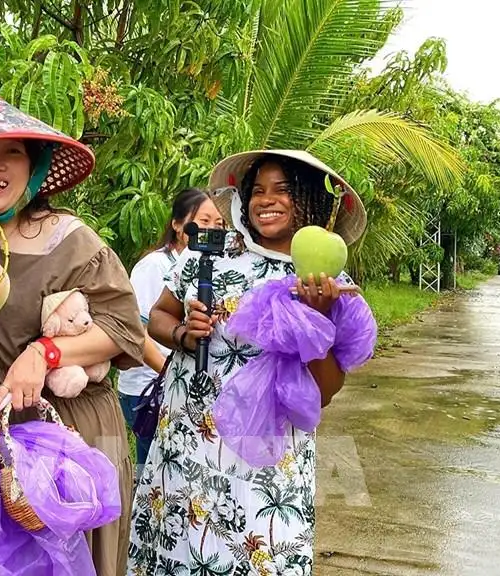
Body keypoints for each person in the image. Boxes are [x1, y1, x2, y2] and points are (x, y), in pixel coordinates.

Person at [0, 95, 145, 576]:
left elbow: (124, 330)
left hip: (71, 425)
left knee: (69, 558)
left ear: (35, 168)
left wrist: (46, 351)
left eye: (13, 153)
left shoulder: (72, 239)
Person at [126, 149, 369, 575]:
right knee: (176, 548)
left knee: (258, 554)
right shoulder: (209, 256)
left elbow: (326, 392)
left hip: (265, 460)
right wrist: (183, 334)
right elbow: (159, 317)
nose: (265, 200)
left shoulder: (327, 286)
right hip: (186, 444)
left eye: (283, 190)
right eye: (257, 190)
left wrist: (317, 319)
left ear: (310, 200)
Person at [116, 188, 224, 480]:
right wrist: (169, 370)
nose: (212, 229)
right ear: (178, 224)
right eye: (204, 220)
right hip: (147, 386)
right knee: (153, 467)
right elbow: (138, 328)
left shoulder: (210, 262)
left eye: (219, 223)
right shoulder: (155, 266)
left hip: (177, 385)